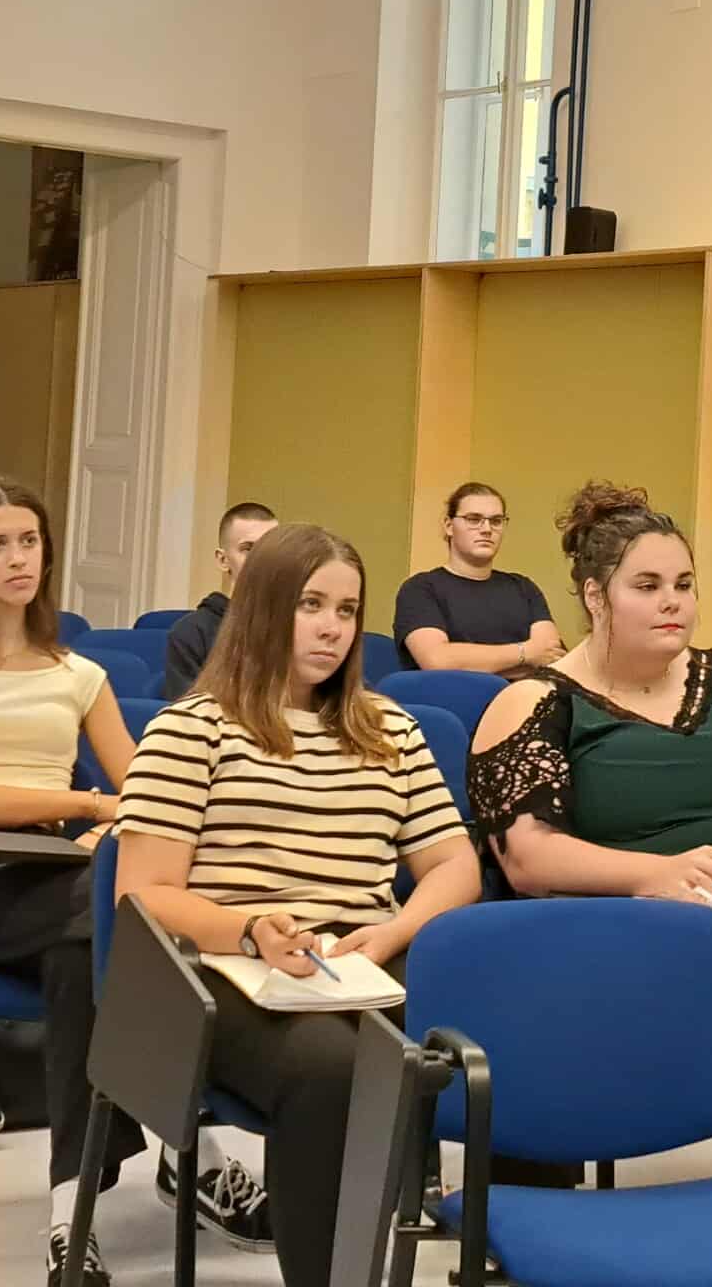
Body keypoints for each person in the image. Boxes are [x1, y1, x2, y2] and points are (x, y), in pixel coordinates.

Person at [117, 524, 479, 1285]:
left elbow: (453, 864)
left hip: (362, 952)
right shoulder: (191, 729)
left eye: (346, 611)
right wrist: (251, 929)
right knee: (333, 1067)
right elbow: (142, 894)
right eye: (310, 605)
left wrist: (398, 929)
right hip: (231, 964)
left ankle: (510, 1255)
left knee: (514, 1026)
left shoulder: (390, 730)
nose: (331, 628)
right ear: (263, 607)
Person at [0, 474, 221, 1287]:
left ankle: (73, 1209)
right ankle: (192, 1148)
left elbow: (146, 793)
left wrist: (114, 823)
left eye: (29, 541)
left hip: (55, 881)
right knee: (111, 920)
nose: (18, 559)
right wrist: (85, 803)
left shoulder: (78, 672)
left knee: (83, 952)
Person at [467, 481, 712, 1188]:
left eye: (683, 584)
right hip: (651, 932)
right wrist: (655, 873)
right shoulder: (536, 700)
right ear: (595, 596)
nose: (673, 601)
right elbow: (526, 856)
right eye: (647, 586)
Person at [394, 482, 564, 674]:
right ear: (449, 526)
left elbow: (551, 656)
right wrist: (525, 653)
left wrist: (476, 662)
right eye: (474, 519)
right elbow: (438, 660)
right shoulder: (420, 588)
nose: (486, 529)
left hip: (528, 692)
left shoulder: (523, 587)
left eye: (496, 521)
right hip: (457, 693)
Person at [161, 501, 277, 698]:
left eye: (270, 548)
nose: (262, 558)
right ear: (223, 560)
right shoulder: (191, 633)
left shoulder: (297, 625)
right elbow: (185, 711)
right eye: (248, 549)